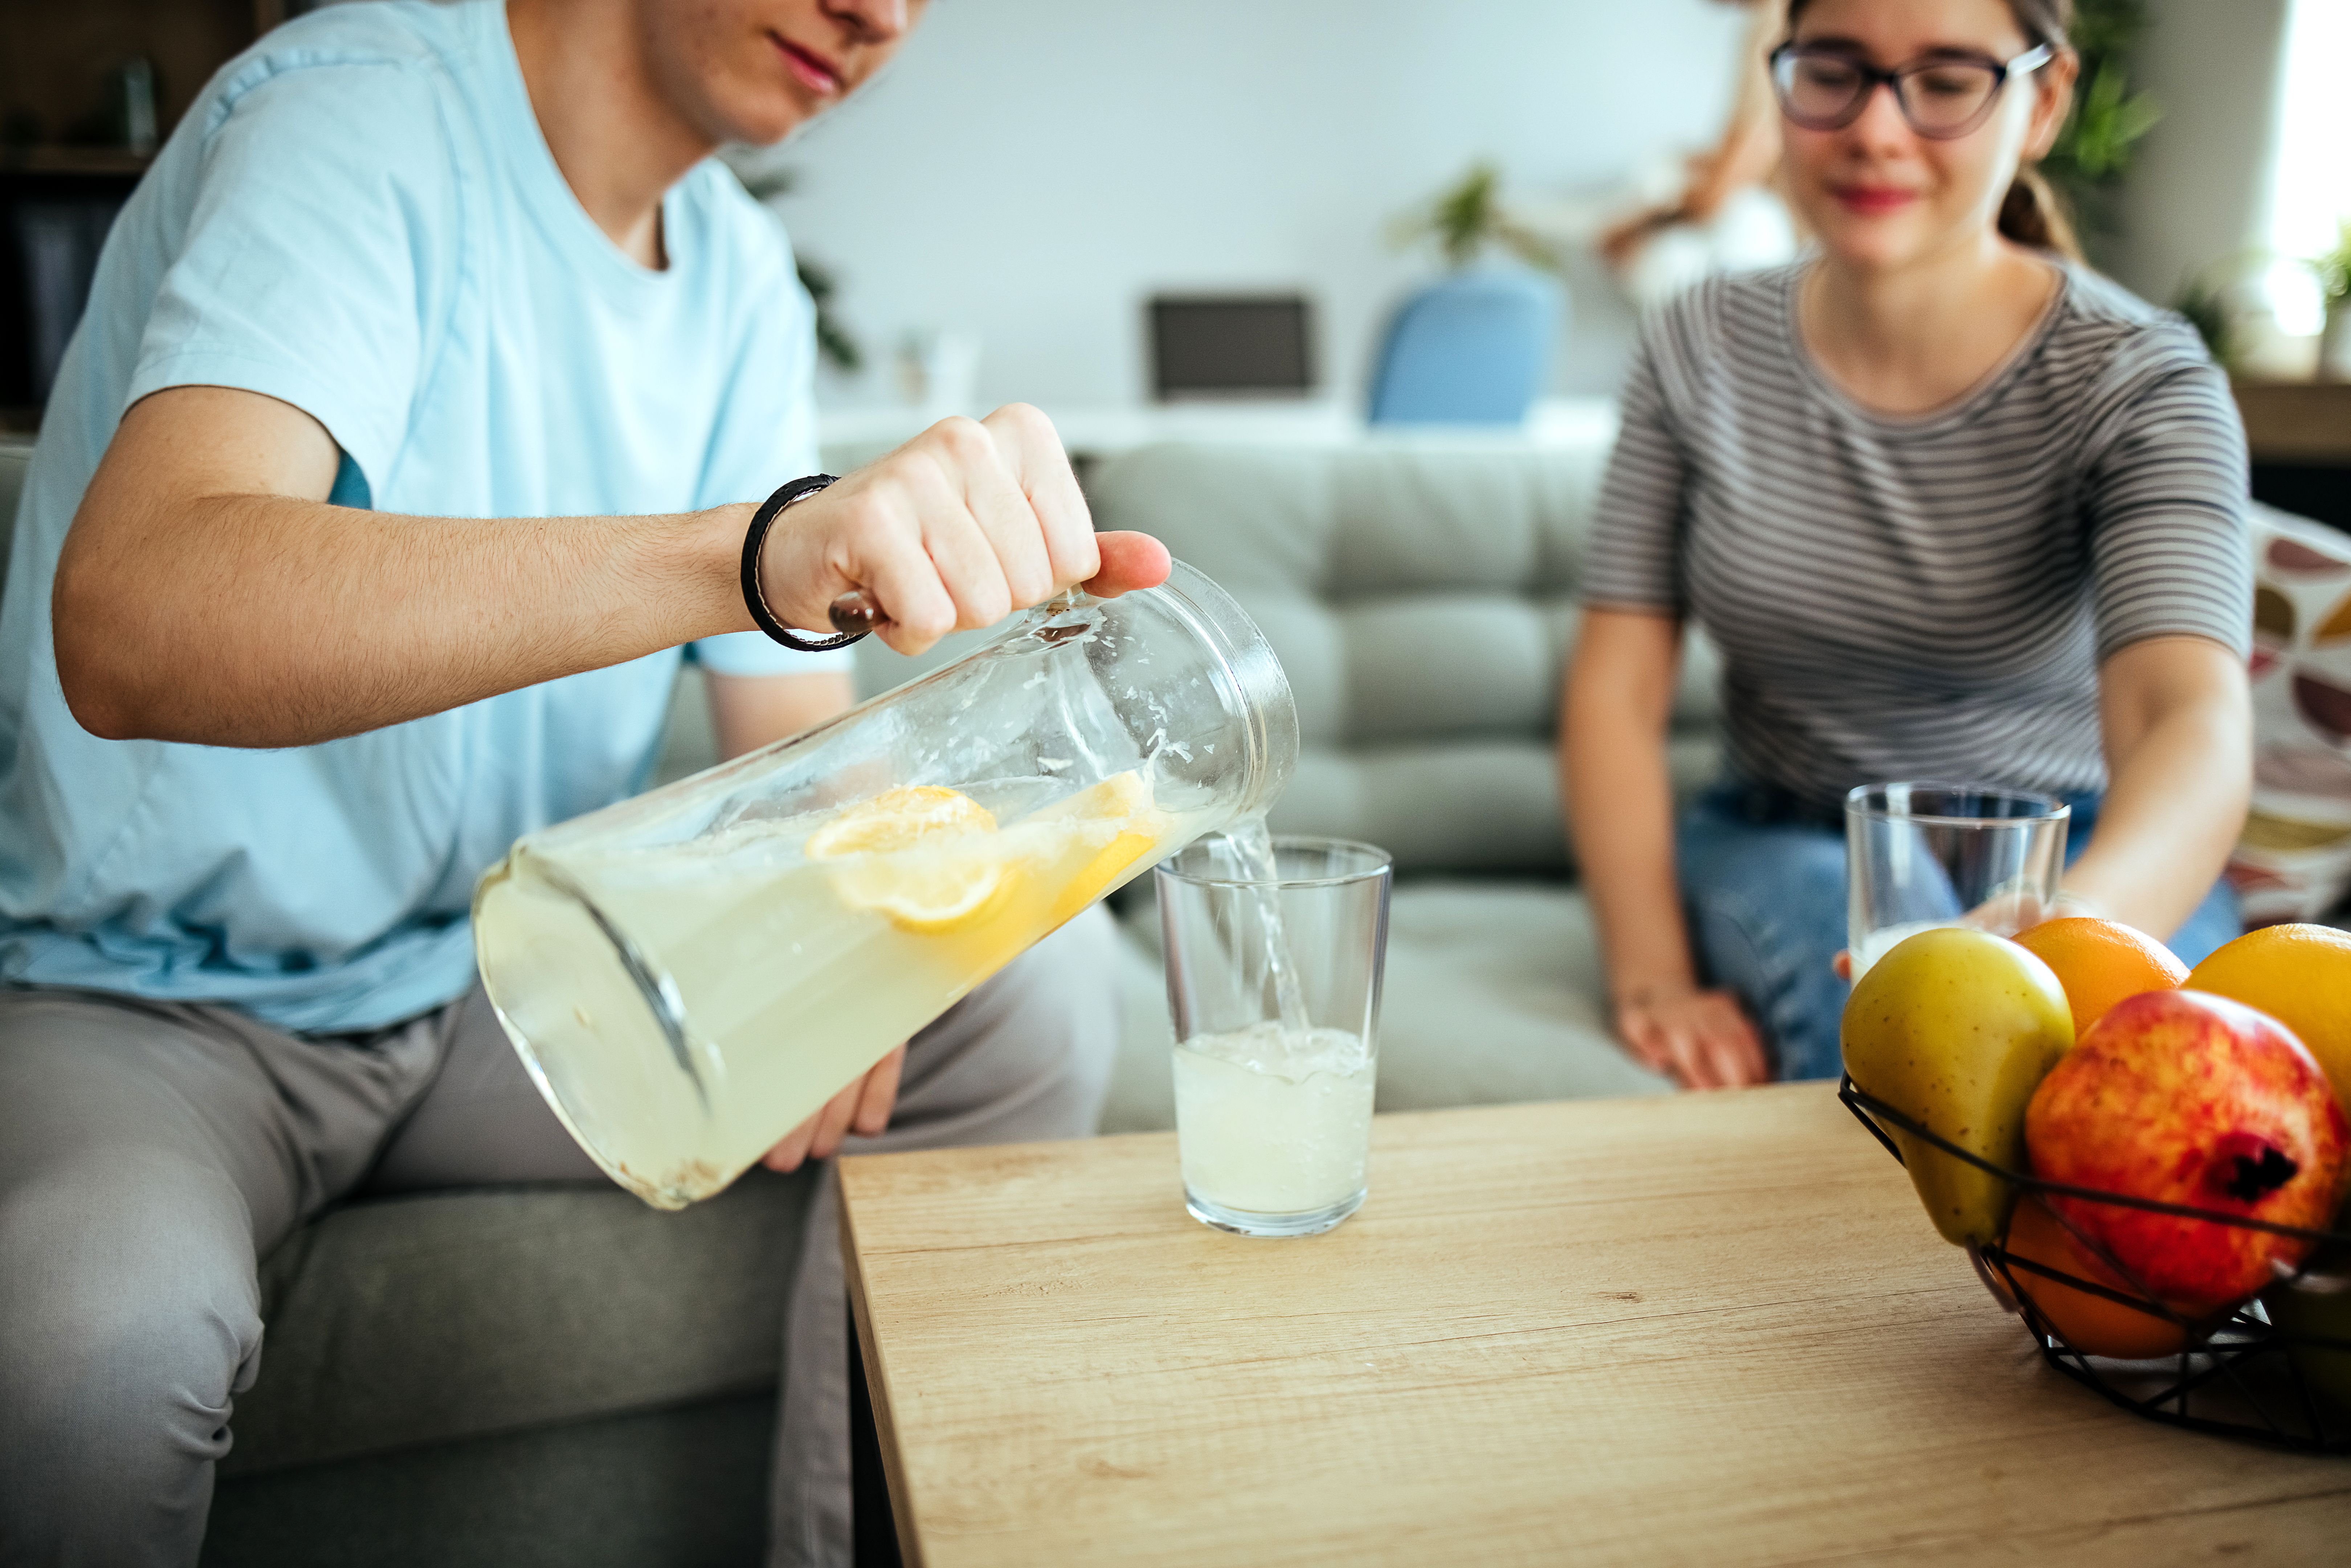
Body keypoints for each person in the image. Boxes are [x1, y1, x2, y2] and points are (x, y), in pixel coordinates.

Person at [0, 1, 1171, 1564]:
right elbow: (136, 615)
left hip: (496, 966)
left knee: (1031, 991)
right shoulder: (363, 114)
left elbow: (792, 768)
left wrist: (898, 861)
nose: (879, 14)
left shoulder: (740, 276)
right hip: (152, 1006)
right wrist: (761, 550)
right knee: (93, 1337)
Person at [1560, 0, 2253, 1093]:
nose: (1877, 131)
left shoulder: (2143, 378)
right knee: (1906, 1031)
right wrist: (1652, 979)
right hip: (1791, 831)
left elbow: (2187, 718)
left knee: (2141, 1088)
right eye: (1834, 71)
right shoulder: (1696, 343)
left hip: (2086, 858)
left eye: (1944, 81)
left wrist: (2063, 932)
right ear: (1779, 76)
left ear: (2045, 101)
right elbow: (1614, 690)